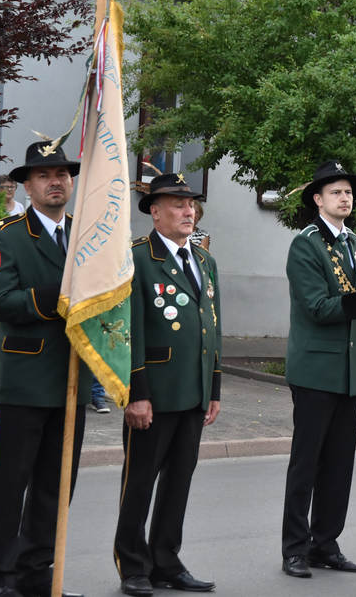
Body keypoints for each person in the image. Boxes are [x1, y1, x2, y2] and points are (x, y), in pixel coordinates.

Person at [0, 141, 89, 597]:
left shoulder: (87, 235)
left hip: (74, 378)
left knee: (55, 486)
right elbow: (1, 302)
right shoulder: (6, 235)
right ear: (27, 184)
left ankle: (38, 573)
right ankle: (1, 578)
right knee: (10, 486)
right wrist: (56, 298)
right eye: (44, 175)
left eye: (62, 173)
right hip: (26, 380)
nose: (56, 181)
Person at [114, 173, 221, 597]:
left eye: (191, 204)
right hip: (153, 393)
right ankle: (133, 565)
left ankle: (166, 561)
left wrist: (213, 389)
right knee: (139, 482)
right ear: (155, 212)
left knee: (179, 482)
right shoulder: (137, 258)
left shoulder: (205, 261)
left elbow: (212, 328)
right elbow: (129, 331)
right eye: (177, 204)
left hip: (191, 392)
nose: (188, 211)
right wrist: (135, 393)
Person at [281, 160, 356, 579]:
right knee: (308, 464)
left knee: (339, 465)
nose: (345, 197)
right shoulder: (306, 244)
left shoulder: (355, 244)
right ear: (317, 199)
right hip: (316, 372)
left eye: (349, 192)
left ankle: (326, 543)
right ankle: (295, 549)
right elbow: (319, 308)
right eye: (336, 191)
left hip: (350, 374)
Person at [0, 175, 26, 339]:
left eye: (12, 187)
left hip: (14, 252)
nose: (8, 190)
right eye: (4, 187)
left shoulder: (20, 207)